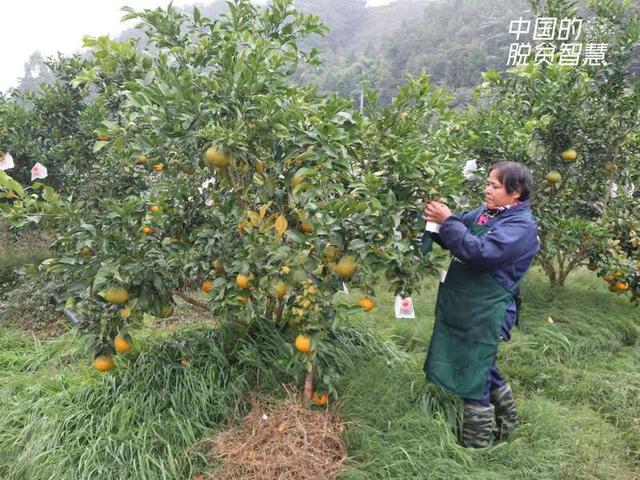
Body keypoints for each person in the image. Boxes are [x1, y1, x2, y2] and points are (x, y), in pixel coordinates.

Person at [421, 161, 539, 448]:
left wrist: (447, 222)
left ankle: (476, 446)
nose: (487, 190)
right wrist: (436, 223)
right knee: (483, 365)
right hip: (466, 306)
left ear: (516, 192)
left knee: (475, 372)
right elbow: (459, 234)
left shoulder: (520, 225)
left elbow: (481, 253)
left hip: (487, 310)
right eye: (487, 183)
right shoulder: (487, 213)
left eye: (494, 186)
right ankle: (508, 422)